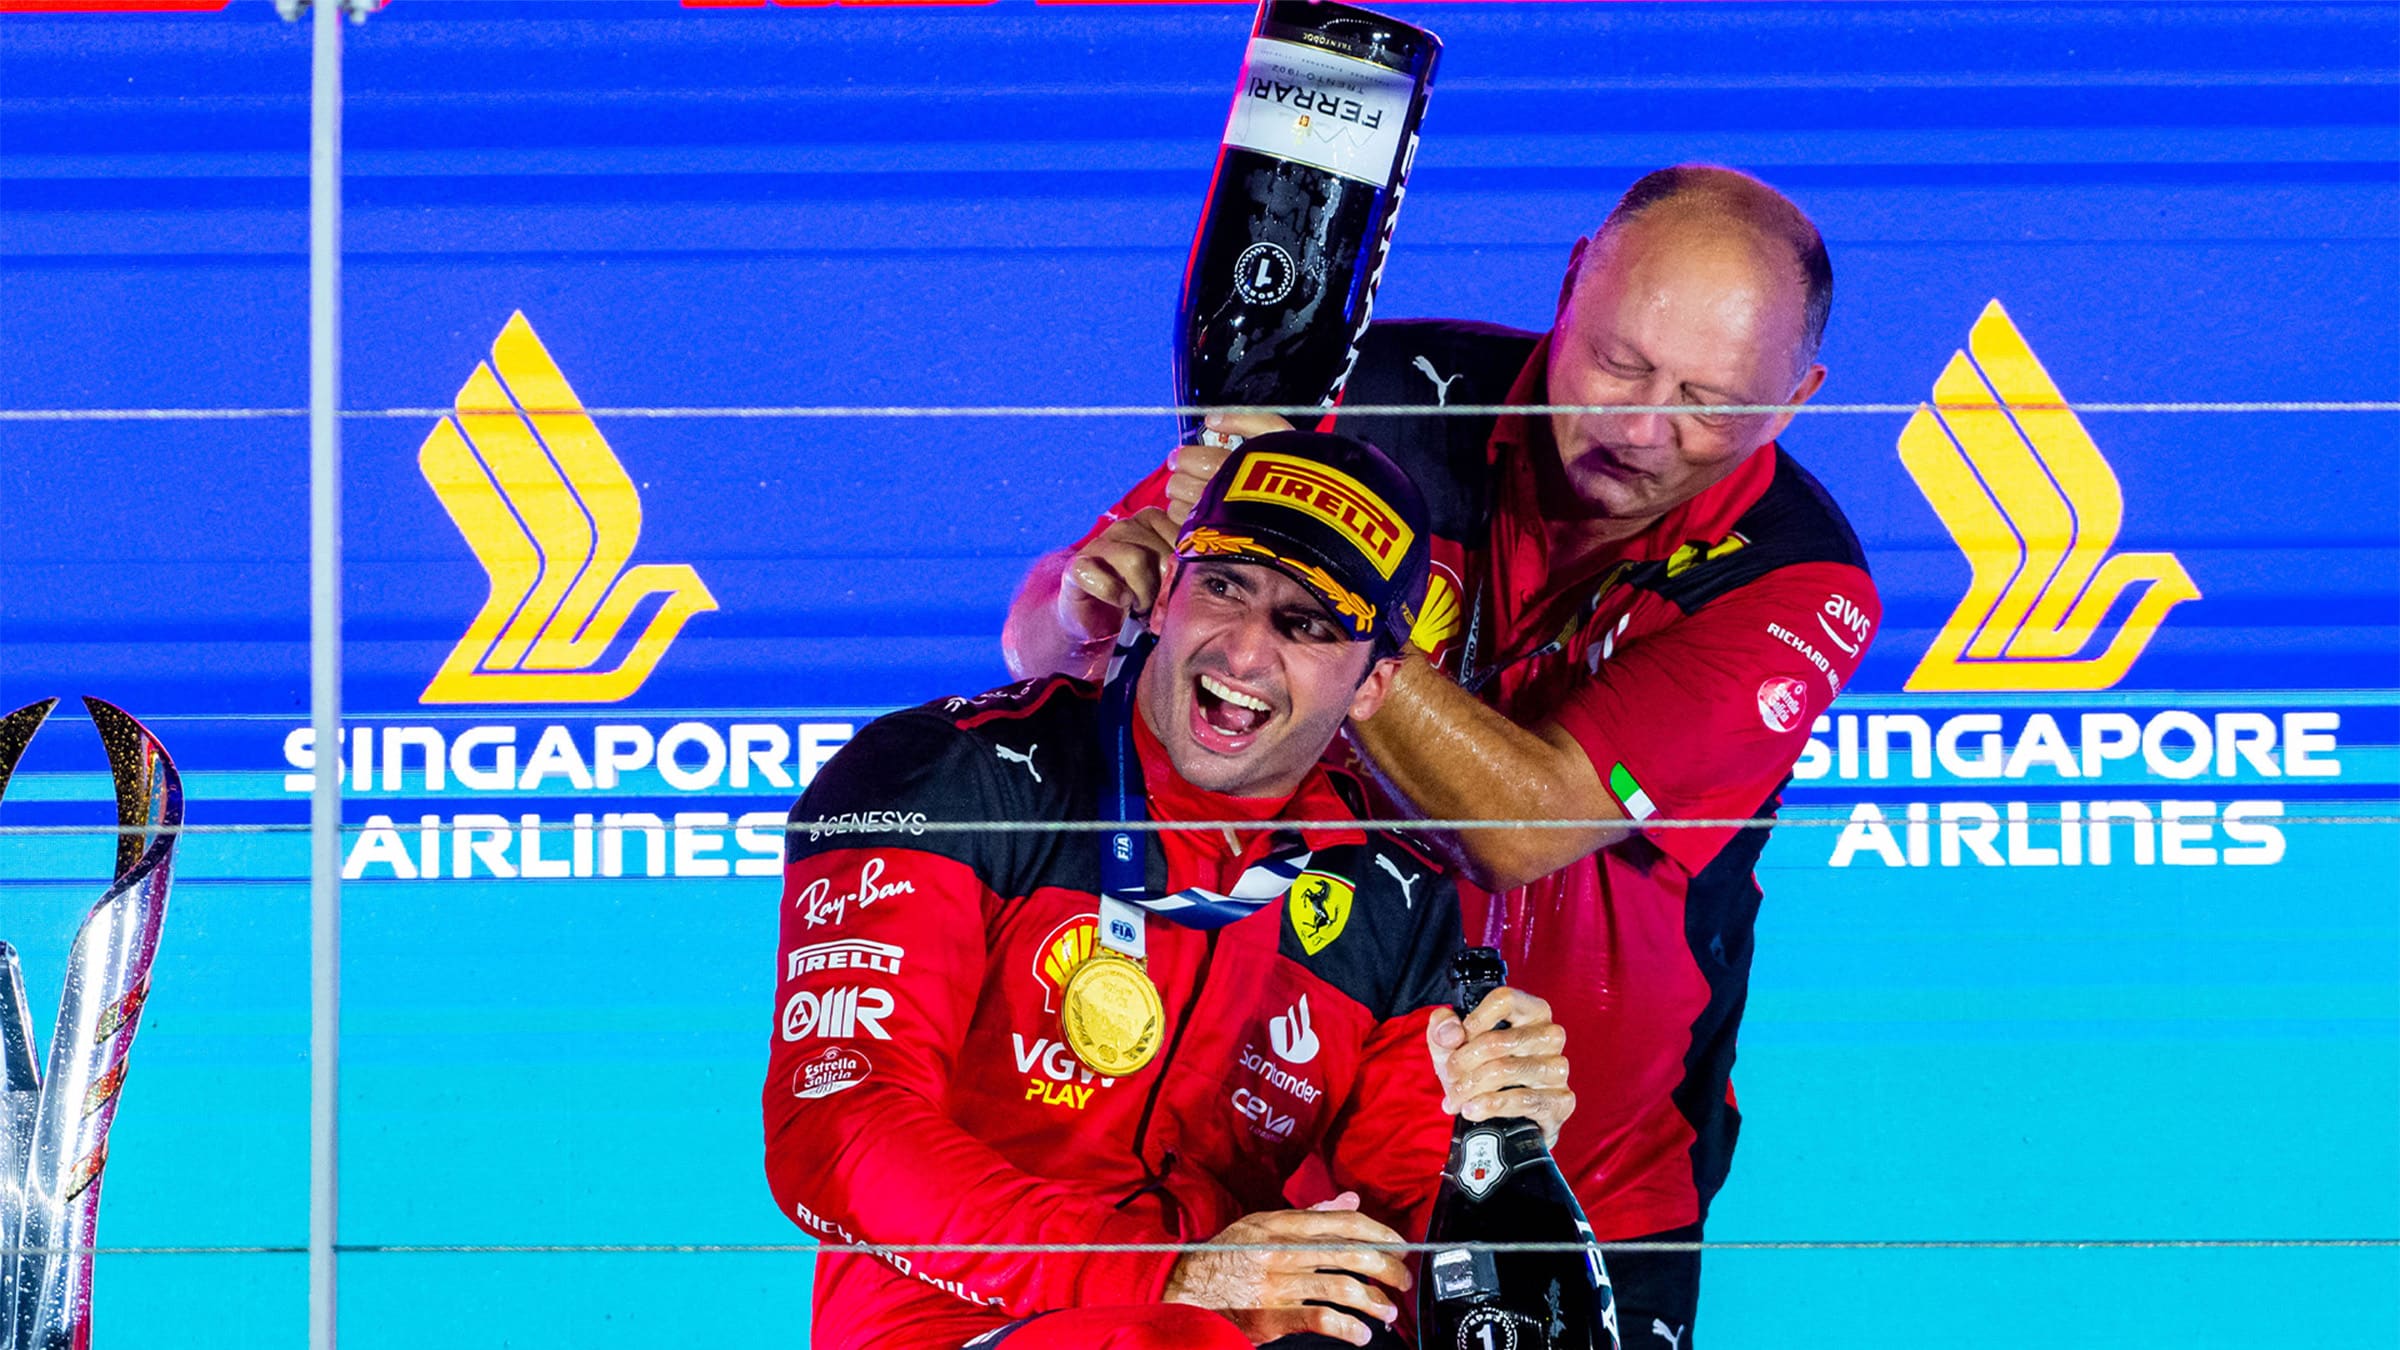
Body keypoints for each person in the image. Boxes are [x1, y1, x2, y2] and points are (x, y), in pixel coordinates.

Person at [1004, 165, 1882, 1340]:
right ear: (1571, 283)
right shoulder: (1366, 405)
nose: (1639, 429)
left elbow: (1523, 827)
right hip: (1277, 1144)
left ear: (1796, 398)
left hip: (1581, 1187)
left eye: (1707, 402)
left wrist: (1322, 611)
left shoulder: (1795, 584)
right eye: (1617, 364)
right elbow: (1053, 637)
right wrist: (1087, 607)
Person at [766, 431, 1585, 1350]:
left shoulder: (1391, 891)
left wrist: (1496, 1148)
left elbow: (1420, 1233)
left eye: (1308, 623)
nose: (1240, 652)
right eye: (1225, 585)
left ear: (1374, 684)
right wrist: (1171, 1277)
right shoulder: (942, 774)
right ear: (1165, 592)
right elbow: (836, 1133)